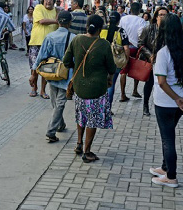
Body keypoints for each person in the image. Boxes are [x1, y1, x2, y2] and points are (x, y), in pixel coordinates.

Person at [63, 15, 117, 163]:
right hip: (97, 89)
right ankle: (87, 152)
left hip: (79, 87)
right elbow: (112, 67)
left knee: (82, 115)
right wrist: (110, 78)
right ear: (100, 29)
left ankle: (79, 143)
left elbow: (66, 61)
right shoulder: (104, 44)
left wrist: (78, 69)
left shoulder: (76, 40)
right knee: (92, 119)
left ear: (87, 26)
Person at [150, 14, 183, 188]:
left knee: (168, 139)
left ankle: (171, 176)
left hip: (167, 102)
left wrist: (176, 99)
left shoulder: (164, 53)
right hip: (180, 102)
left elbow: (161, 82)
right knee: (167, 136)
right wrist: (180, 100)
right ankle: (165, 167)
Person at [33, 11, 76, 143]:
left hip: (51, 72)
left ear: (58, 21)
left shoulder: (50, 37)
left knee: (55, 102)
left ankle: (60, 124)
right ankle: (51, 131)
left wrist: (33, 75)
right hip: (66, 74)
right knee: (60, 103)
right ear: (70, 22)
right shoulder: (74, 38)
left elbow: (40, 57)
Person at [138, 7, 169, 116]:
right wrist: (150, 55)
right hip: (151, 61)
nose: (163, 17)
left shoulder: (169, 30)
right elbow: (140, 44)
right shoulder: (148, 29)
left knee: (164, 83)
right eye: (161, 15)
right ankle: (145, 105)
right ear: (156, 17)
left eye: (165, 15)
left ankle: (163, 106)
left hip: (165, 62)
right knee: (149, 83)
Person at [28, 0, 59, 98]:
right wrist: (56, 21)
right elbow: (42, 21)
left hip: (50, 44)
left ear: (54, 1)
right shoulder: (38, 8)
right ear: (43, 0)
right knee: (34, 67)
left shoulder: (56, 11)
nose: (48, 1)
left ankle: (42, 90)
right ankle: (34, 88)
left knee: (46, 68)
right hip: (36, 42)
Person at [118, 2, 148, 101]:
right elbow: (141, 34)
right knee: (136, 67)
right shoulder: (141, 21)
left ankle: (122, 93)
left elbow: (119, 31)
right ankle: (134, 90)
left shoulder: (123, 19)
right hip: (135, 47)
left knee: (123, 71)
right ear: (139, 10)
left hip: (123, 47)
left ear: (130, 9)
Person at [101, 11, 130, 111]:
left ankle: (100, 107)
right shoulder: (121, 31)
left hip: (101, 60)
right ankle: (107, 109)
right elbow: (126, 48)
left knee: (102, 85)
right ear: (118, 21)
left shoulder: (102, 28)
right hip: (115, 62)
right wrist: (126, 60)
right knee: (111, 85)